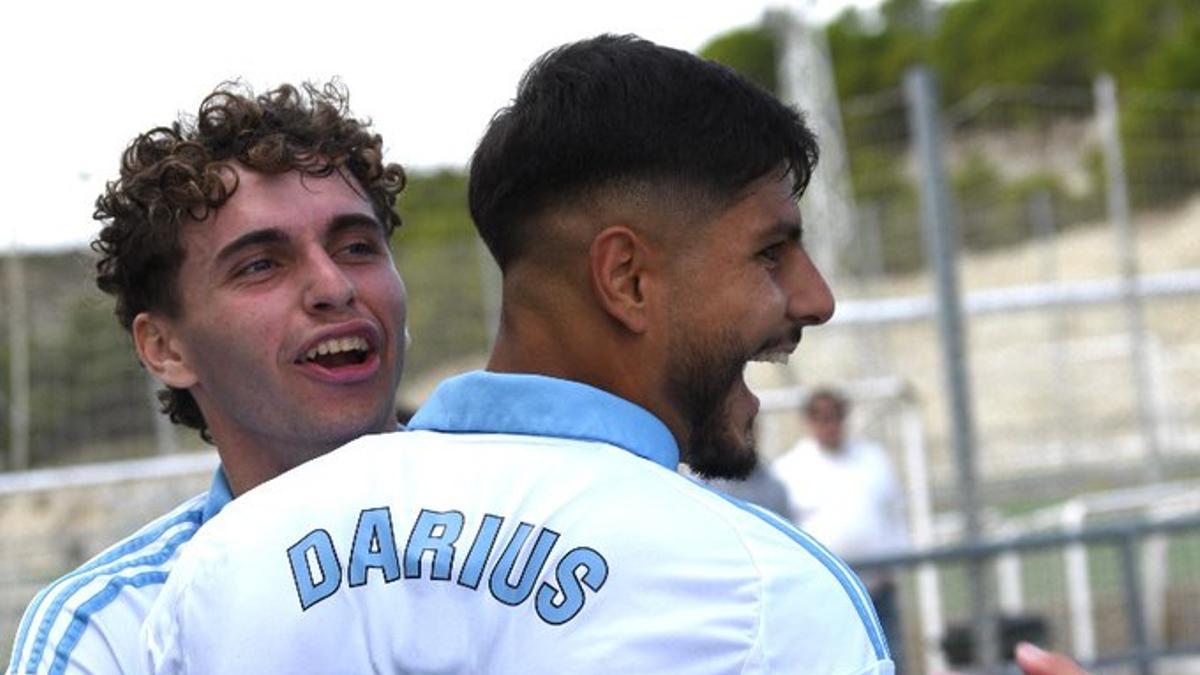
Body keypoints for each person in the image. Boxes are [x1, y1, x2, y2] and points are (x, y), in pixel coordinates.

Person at [140, 34, 896, 674]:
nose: (815, 298)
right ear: (626, 278)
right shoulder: (758, 590)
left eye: (359, 246)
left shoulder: (225, 569)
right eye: (770, 253)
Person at [7, 81, 409, 674]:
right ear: (165, 349)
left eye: (355, 246)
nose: (334, 286)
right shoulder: (111, 635)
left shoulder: (552, 513)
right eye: (262, 264)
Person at [774, 387, 911, 670]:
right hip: (828, 595)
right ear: (809, 421)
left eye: (836, 417)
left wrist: (895, 564)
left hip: (879, 590)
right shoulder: (790, 469)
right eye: (821, 418)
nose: (830, 425)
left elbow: (895, 512)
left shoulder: (873, 459)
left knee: (890, 661)